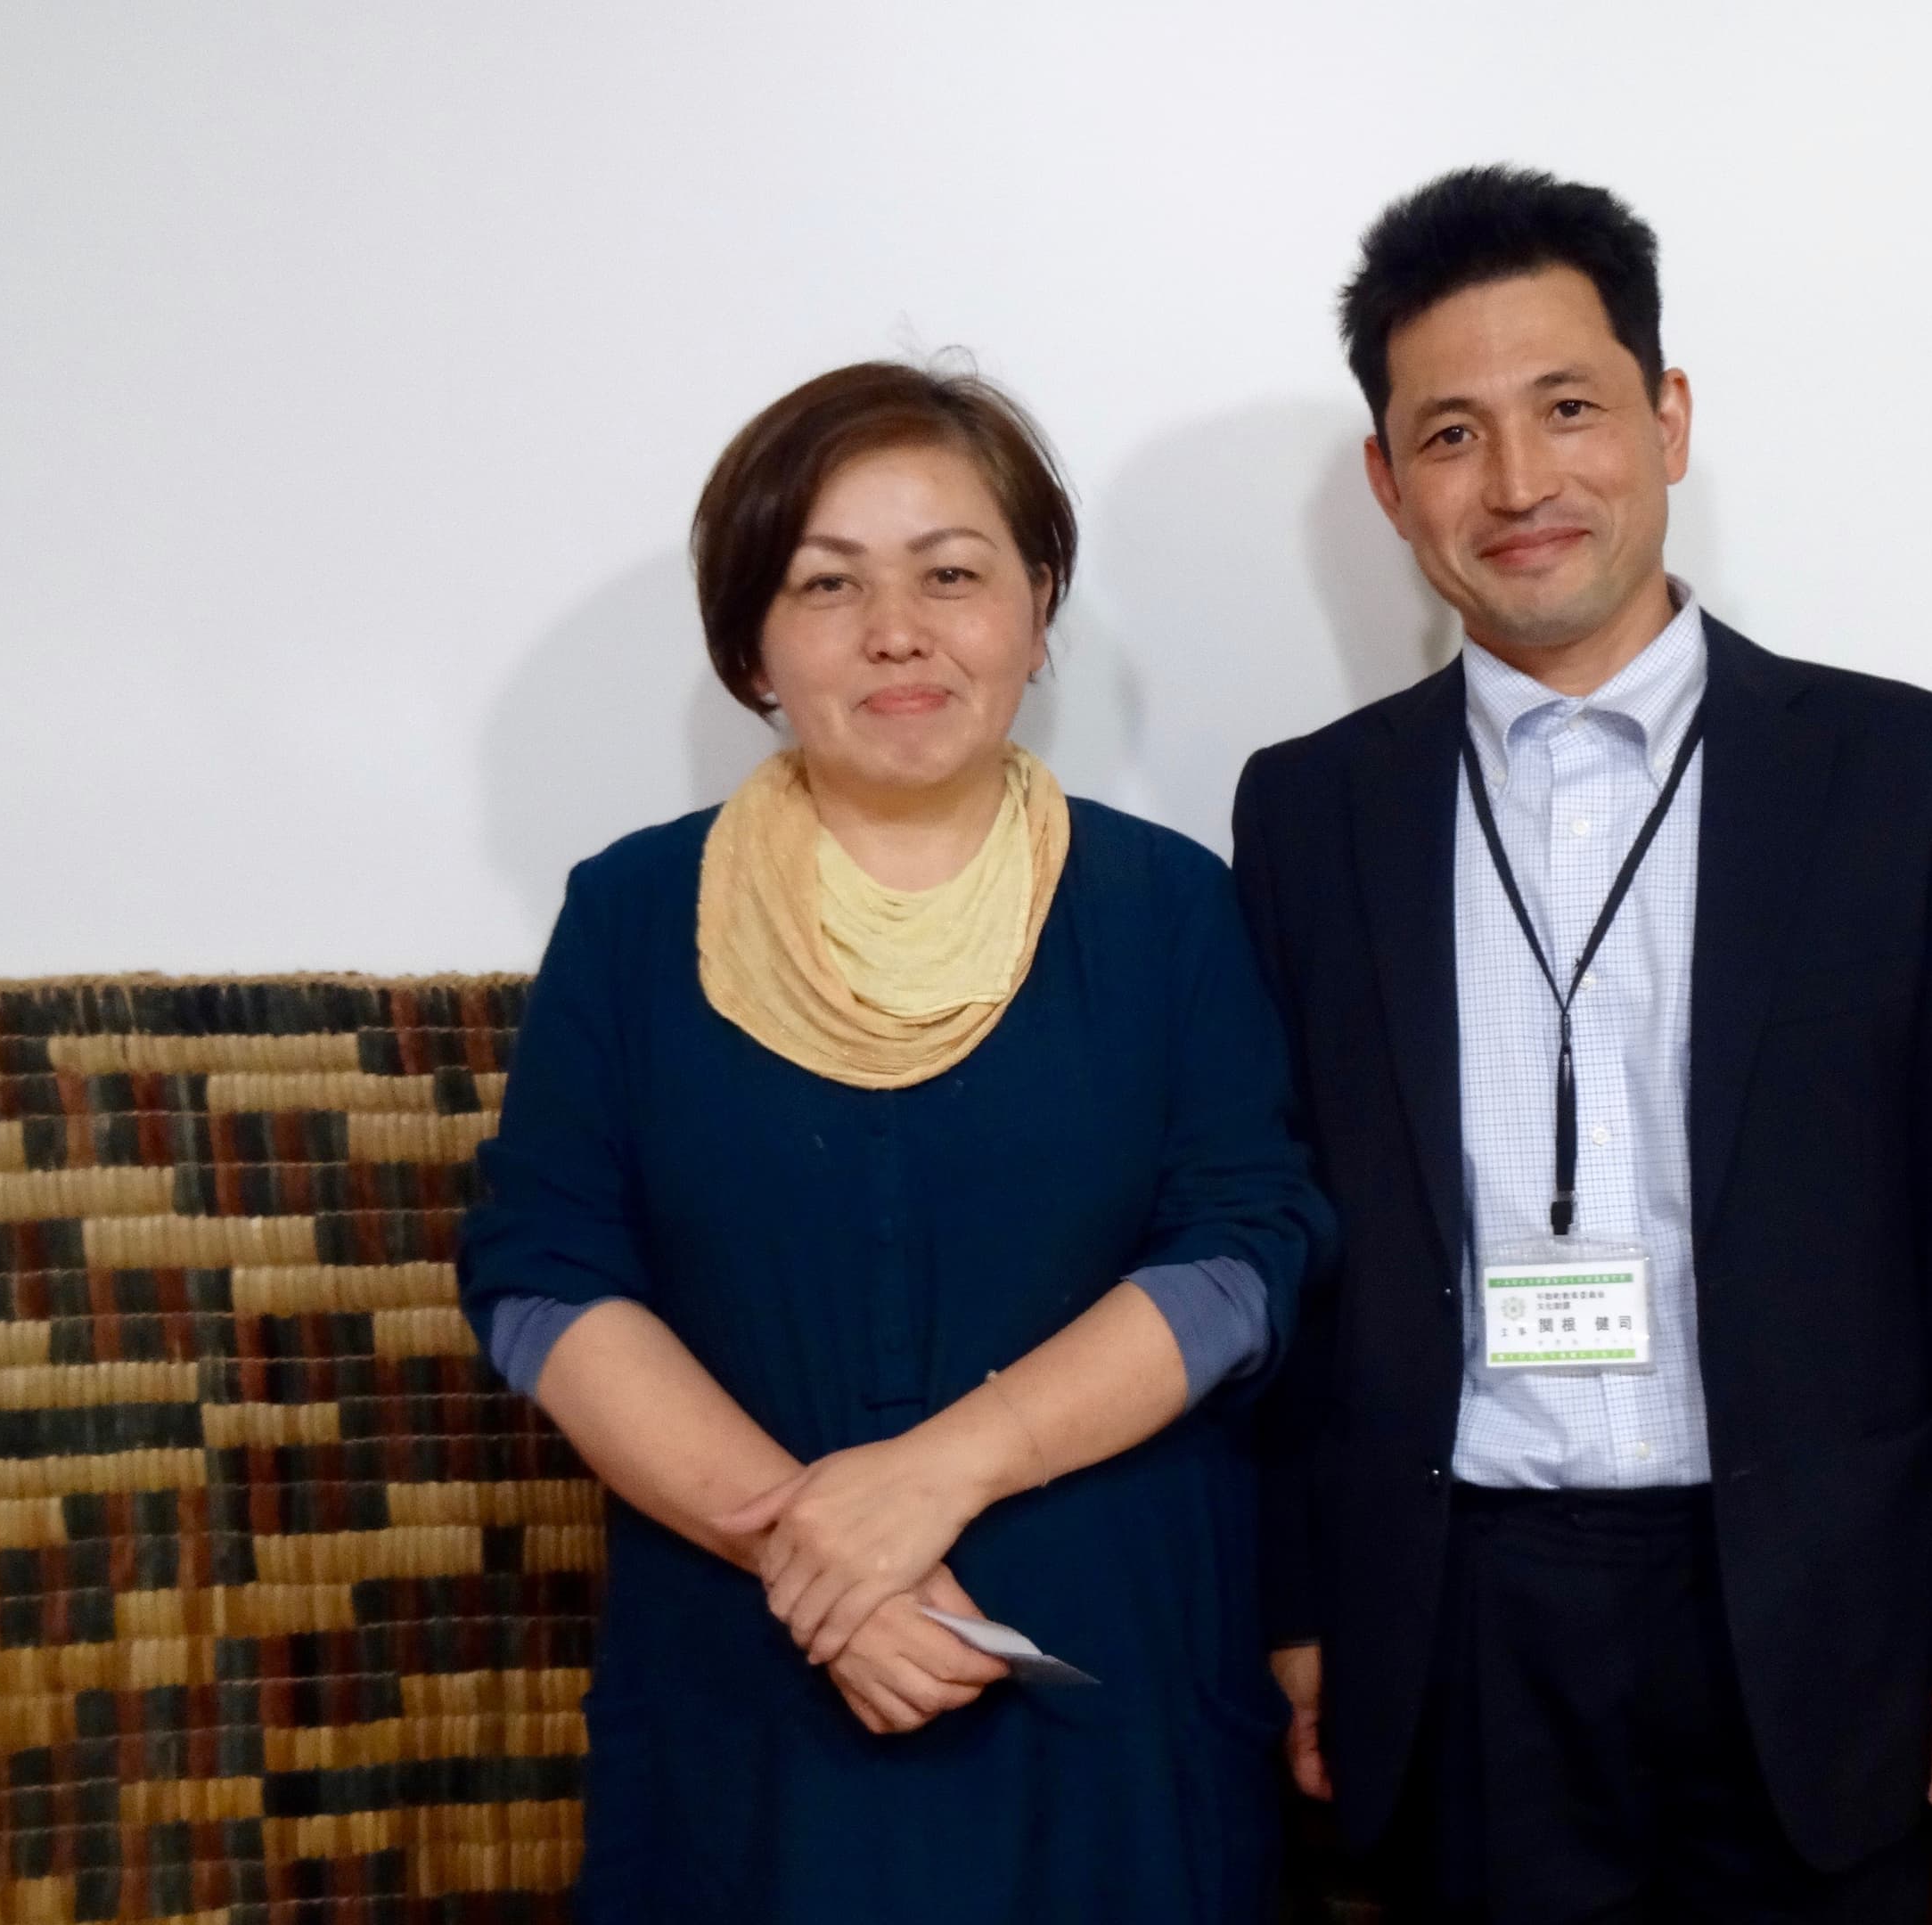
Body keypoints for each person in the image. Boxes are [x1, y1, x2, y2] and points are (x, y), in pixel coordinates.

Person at [1232, 167, 1932, 1922]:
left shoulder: (1904, 776)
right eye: (1453, 435)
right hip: (1452, 1619)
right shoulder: (1310, 810)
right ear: (1393, 486)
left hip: (1819, 1616)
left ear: (1668, 417)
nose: (1524, 481)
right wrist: (1305, 1608)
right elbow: (1297, 1242)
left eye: (1570, 408)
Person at [458, 360, 1331, 1922]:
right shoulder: (634, 915)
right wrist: (822, 1566)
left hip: (1107, 1688)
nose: (899, 631)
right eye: (827, 583)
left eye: (953, 573)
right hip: (756, 1682)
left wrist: (932, 1480)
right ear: (750, 646)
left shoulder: (1166, 907)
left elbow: (1246, 1258)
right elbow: (543, 1278)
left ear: (1039, 606)